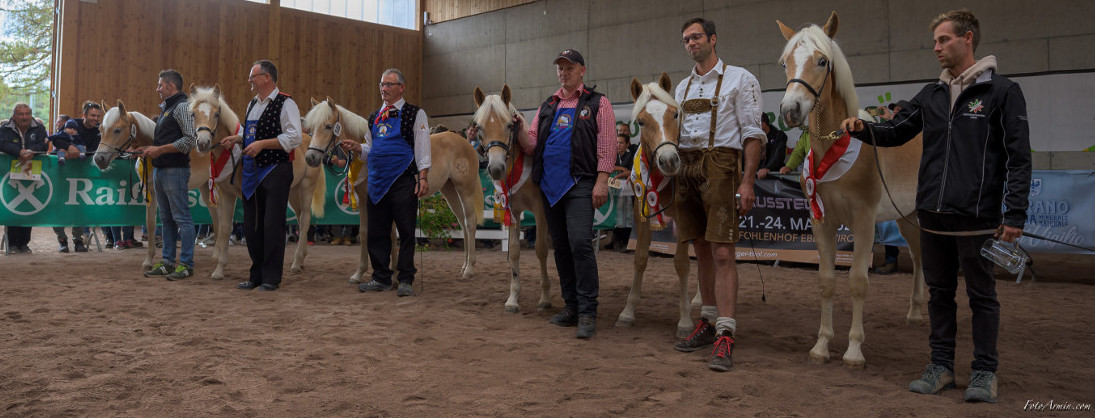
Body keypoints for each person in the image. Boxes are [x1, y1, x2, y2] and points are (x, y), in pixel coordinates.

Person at [839, 9, 1031, 403]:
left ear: (967, 39)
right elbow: (895, 131)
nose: (936, 48)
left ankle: (984, 372)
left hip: (977, 217)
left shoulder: (1002, 93)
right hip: (933, 216)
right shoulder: (932, 94)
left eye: (944, 40)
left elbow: (1019, 157)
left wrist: (1014, 215)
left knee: (982, 296)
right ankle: (941, 365)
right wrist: (864, 129)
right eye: (935, 42)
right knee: (939, 293)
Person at [671, 18, 765, 372]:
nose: (691, 43)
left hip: (722, 165)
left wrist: (748, 180)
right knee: (700, 247)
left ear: (713, 39)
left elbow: (752, 133)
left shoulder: (741, 79)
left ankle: (726, 331)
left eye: (696, 37)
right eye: (685, 40)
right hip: (685, 167)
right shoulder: (680, 89)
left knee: (724, 251)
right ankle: (707, 321)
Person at [518, 48, 616, 339]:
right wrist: (517, 129)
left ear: (582, 70)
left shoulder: (599, 103)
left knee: (580, 244)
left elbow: (607, 146)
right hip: (550, 187)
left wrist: (602, 182)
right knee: (559, 247)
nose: (564, 72)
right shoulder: (547, 106)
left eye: (569, 67)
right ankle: (571, 305)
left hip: (581, 183)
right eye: (560, 68)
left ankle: (588, 311)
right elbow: (532, 144)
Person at [340, 68, 430, 297]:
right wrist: (358, 147)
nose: (384, 88)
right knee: (376, 232)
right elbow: (371, 148)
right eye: (382, 84)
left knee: (407, 232)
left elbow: (422, 147)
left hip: (402, 180)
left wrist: (423, 177)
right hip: (377, 182)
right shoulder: (374, 117)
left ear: (402, 87)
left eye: (389, 84)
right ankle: (381, 277)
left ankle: (406, 278)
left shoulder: (414, 113)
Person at [221, 60, 302, 292]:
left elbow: (294, 136)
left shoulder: (286, 103)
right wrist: (239, 138)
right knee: (252, 225)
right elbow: (252, 132)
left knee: (272, 225)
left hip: (276, 170)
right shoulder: (252, 104)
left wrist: (262, 145)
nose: (250, 80)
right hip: (253, 172)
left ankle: (271, 277)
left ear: (267, 78)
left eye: (253, 76)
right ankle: (256, 274)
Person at [138, 69, 197, 281]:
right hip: (162, 169)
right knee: (167, 218)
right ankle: (168, 262)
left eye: (160, 85)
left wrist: (160, 150)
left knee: (181, 218)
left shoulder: (181, 107)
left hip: (175, 169)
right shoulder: (168, 109)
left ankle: (187, 264)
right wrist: (146, 148)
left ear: (171, 86)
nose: (157, 89)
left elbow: (191, 140)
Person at [0, 103, 49, 254]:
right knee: (12, 205)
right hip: (10, 168)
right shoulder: (5, 128)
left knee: (27, 207)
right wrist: (19, 152)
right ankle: (12, 242)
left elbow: (44, 144)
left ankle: (24, 243)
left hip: (31, 167)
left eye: (27, 114)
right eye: (21, 114)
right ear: (14, 116)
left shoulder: (39, 128)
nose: (24, 117)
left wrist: (31, 152)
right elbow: (2, 143)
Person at [872, 102, 909, 275]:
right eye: (893, 110)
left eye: (899, 111)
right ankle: (891, 260)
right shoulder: (888, 132)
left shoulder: (913, 131)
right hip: (892, 185)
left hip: (910, 185)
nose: (894, 112)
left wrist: (892, 120)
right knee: (889, 221)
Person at [48, 119, 90, 252]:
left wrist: (78, 152)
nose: (71, 131)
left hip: (77, 182)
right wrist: (67, 150)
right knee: (58, 211)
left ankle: (78, 240)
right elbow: (54, 141)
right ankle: (62, 239)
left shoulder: (80, 139)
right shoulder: (58, 140)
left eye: (74, 129)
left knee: (78, 210)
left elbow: (86, 149)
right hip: (59, 182)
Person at [610, 133, 635, 252]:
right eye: (617, 142)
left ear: (627, 144)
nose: (618, 145)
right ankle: (615, 241)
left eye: (621, 143)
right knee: (615, 215)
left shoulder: (631, 155)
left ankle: (625, 242)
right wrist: (621, 169)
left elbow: (631, 171)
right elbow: (608, 166)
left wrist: (624, 173)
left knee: (626, 216)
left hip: (627, 191)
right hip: (613, 191)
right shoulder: (612, 155)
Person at [756, 113, 787, 179]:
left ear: (763, 124)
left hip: (775, 177)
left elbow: (779, 155)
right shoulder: (753, 138)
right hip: (756, 178)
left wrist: (768, 168)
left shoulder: (779, 135)